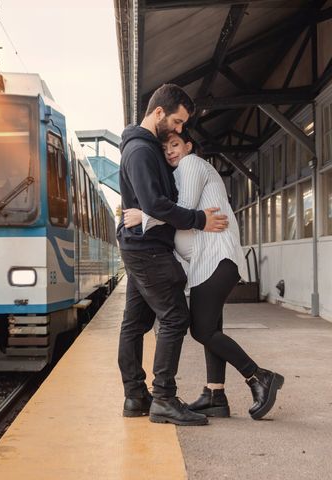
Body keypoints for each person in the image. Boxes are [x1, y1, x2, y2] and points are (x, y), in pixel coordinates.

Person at [123, 130, 284, 420]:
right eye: (165, 148)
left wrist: (143, 216)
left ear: (188, 145)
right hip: (208, 263)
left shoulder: (192, 164)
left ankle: (259, 377)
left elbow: (181, 209)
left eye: (175, 145)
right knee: (211, 330)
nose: (170, 151)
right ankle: (215, 395)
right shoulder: (179, 175)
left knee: (202, 330)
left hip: (215, 260)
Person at [118, 83, 229, 426]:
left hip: (141, 245)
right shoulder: (141, 151)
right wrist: (200, 220)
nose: (180, 129)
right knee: (175, 318)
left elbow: (151, 204)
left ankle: (137, 397)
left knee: (135, 323)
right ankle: (163, 398)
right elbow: (154, 203)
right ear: (159, 113)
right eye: (178, 122)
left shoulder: (147, 149)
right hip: (147, 248)